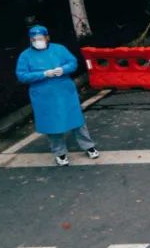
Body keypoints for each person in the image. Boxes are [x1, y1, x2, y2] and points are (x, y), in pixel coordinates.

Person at [15, 26, 99, 166]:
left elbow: (73, 62)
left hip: (65, 91)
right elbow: (22, 75)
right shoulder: (25, 56)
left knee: (76, 119)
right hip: (43, 96)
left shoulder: (59, 49)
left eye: (40, 38)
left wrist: (63, 69)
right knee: (52, 124)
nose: (37, 41)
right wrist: (42, 74)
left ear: (47, 37)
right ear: (30, 40)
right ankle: (59, 153)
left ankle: (89, 146)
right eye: (34, 39)